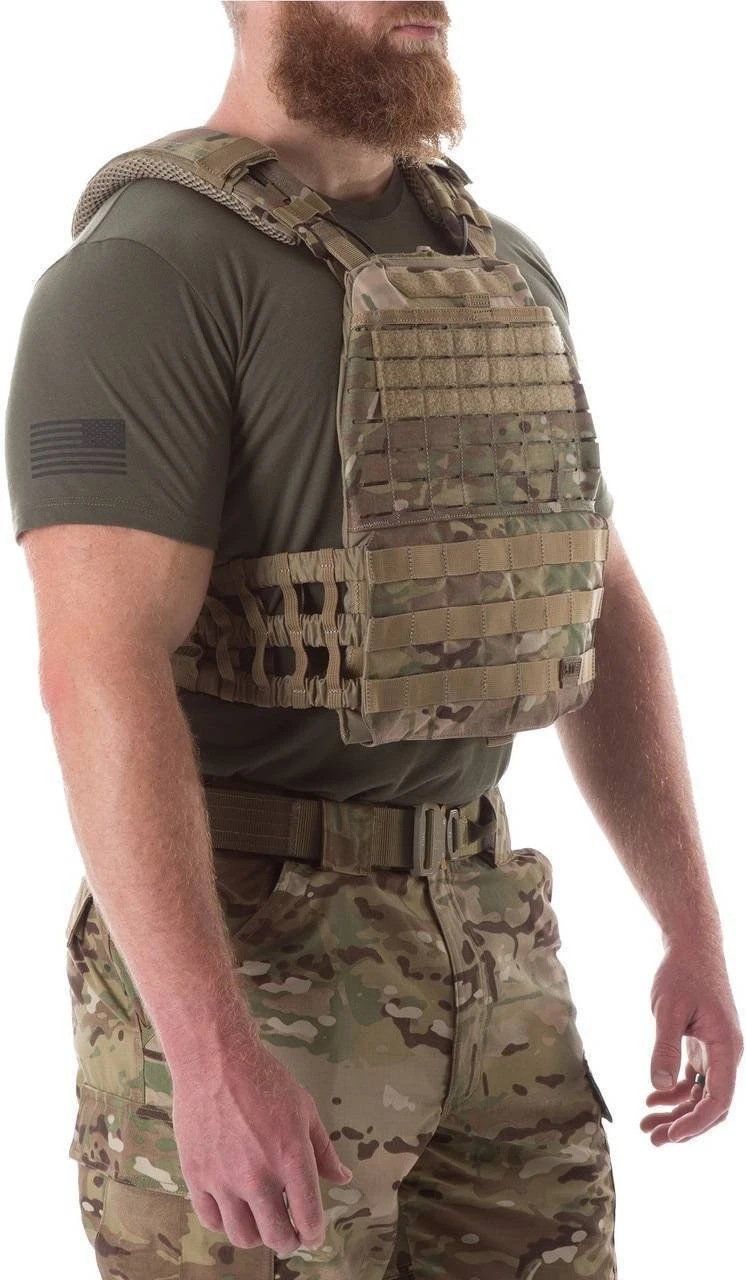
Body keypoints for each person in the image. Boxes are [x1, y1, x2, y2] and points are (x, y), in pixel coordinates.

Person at [4, 3, 742, 1278]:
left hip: (492, 929)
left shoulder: (498, 264)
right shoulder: (143, 275)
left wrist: (688, 922)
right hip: (256, 950)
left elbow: (596, 596)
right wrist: (206, 1051)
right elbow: (96, 667)